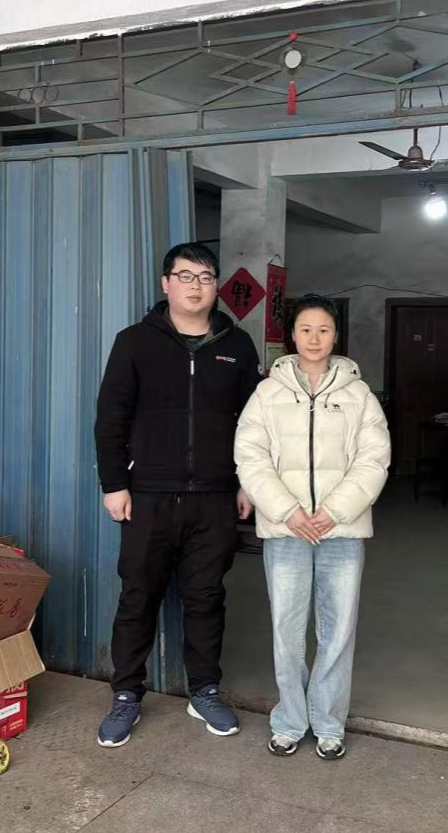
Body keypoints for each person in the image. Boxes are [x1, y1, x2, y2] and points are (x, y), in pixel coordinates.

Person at [94, 241, 261, 748]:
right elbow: (110, 418)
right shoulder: (134, 343)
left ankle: (204, 690)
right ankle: (126, 694)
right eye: (185, 276)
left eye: (206, 277)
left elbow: (254, 424)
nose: (196, 286)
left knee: (207, 598)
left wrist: (246, 482)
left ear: (216, 287)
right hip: (148, 495)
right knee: (138, 597)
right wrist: (114, 484)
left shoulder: (238, 345)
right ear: (166, 283)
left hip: (215, 495)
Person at [234, 294, 391, 760]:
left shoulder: (358, 395)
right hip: (287, 531)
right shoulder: (268, 393)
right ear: (292, 336)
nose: (315, 338)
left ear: (336, 335)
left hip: (341, 532)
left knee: (337, 631)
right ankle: (289, 720)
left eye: (324, 329)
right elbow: (250, 456)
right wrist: (288, 511)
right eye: (306, 329)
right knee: (286, 631)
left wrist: (335, 511)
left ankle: (328, 723)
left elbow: (374, 459)